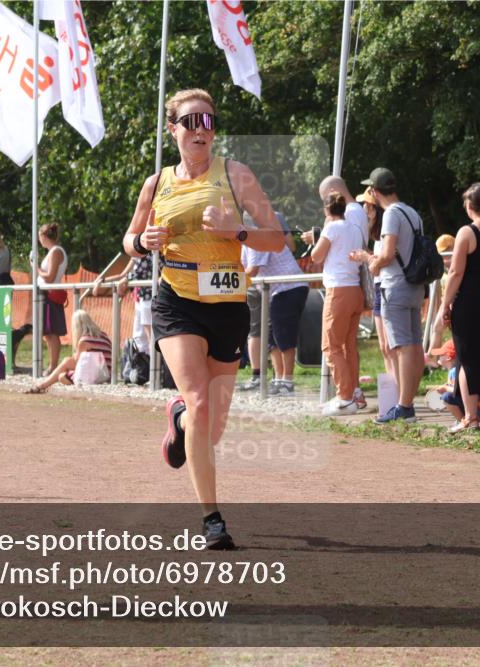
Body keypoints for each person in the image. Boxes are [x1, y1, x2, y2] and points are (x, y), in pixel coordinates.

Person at [121, 88, 284, 549]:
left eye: (208, 121)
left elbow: (277, 239)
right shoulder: (156, 184)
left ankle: (178, 422)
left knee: (213, 425)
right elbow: (129, 239)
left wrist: (238, 231)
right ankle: (212, 520)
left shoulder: (236, 175)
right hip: (177, 299)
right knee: (200, 402)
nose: (200, 130)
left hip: (228, 303)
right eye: (190, 121)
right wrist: (143, 242)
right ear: (172, 129)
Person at [436, 183, 480, 432]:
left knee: (467, 359)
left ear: (469, 206)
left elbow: (456, 272)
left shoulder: (466, 232)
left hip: (471, 301)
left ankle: (470, 417)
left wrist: (445, 305)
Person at [363, 167, 426, 424]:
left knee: (401, 346)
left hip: (395, 286)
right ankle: (407, 402)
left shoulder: (390, 214)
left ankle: (404, 406)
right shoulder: (412, 212)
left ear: (374, 191)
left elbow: (388, 253)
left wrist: (374, 264)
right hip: (414, 285)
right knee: (414, 345)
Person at [310, 192, 365, 416]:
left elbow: (316, 256)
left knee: (330, 347)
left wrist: (320, 233)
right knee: (348, 346)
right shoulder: (355, 228)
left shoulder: (331, 228)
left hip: (338, 291)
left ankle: (344, 397)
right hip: (355, 290)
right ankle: (353, 393)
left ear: (326, 210)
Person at [242, 219, 309, 396]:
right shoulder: (246, 240)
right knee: (273, 337)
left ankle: (287, 381)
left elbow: (252, 270)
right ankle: (279, 379)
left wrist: (227, 275)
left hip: (288, 288)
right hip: (277, 291)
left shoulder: (256, 237)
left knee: (284, 336)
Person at [350, 188, 393, 380]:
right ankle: (392, 389)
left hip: (385, 288)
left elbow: (381, 263)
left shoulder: (386, 233)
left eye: (367, 206)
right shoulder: (377, 234)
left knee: (390, 346)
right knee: (384, 346)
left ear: (376, 210)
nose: (364, 209)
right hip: (379, 288)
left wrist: (365, 257)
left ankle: (398, 388)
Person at [25, 310, 113, 393]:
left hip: (96, 374)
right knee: (65, 368)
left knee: (62, 374)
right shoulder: (104, 335)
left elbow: (77, 362)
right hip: (106, 372)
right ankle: (43, 385)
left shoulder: (84, 340)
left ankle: (42, 385)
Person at [97, 254, 153, 354]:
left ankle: (155, 362)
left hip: (149, 299)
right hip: (140, 300)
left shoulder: (150, 253)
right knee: (139, 338)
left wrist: (126, 279)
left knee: (150, 337)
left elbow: (138, 274)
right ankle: (142, 361)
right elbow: (122, 275)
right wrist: (102, 280)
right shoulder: (136, 255)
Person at [429, 340, 480, 426]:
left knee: (446, 397)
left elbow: (459, 390)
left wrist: (446, 388)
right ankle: (466, 419)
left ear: (448, 357)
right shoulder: (455, 370)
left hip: (478, 410)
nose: (438, 357)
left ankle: (464, 421)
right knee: (448, 396)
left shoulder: (455, 371)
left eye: (441, 355)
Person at [36, 223, 69, 376]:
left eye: (39, 237)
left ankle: (53, 366)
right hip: (46, 295)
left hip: (51, 295)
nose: (39, 240)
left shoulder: (56, 251)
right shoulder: (52, 251)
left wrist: (36, 268)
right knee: (48, 333)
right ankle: (52, 365)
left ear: (44, 236)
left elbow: (49, 277)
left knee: (52, 332)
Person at [428, 233, 456, 359]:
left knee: (455, 334)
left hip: (453, 302)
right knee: (437, 328)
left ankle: (444, 358)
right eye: (442, 256)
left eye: (446, 255)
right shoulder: (445, 271)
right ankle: (433, 357)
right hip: (446, 303)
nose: (444, 260)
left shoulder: (458, 267)